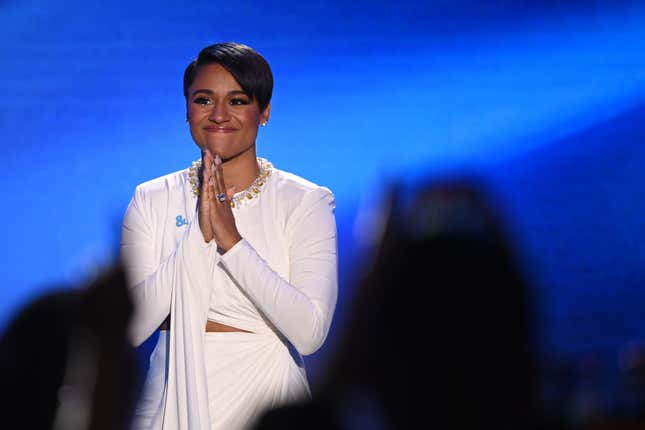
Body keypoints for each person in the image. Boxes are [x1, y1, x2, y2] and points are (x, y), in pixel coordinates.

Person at [120, 42, 338, 430]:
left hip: (266, 403)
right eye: (204, 99)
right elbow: (131, 328)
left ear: (264, 111)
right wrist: (198, 236)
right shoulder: (151, 199)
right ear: (187, 109)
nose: (219, 115)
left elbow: (309, 333)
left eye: (237, 101)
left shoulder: (304, 202)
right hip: (167, 403)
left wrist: (231, 241)